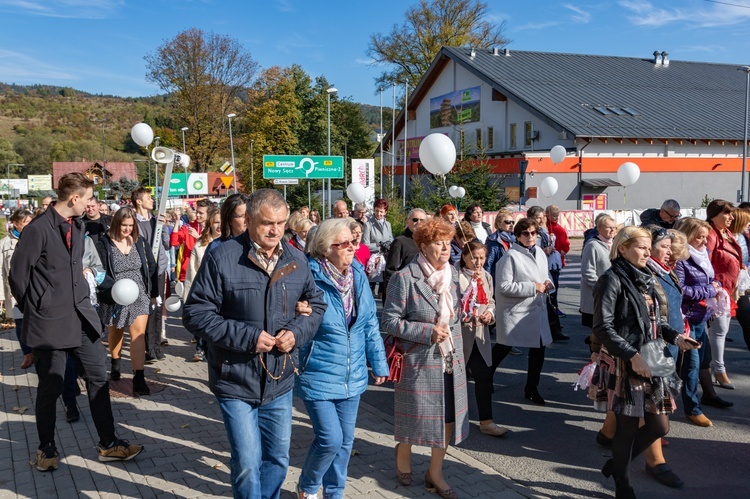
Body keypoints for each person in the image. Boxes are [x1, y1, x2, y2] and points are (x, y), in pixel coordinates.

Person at [182, 189, 326, 499]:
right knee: (247, 462)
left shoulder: (296, 258)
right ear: (248, 221)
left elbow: (317, 304)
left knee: (278, 458)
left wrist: (297, 332)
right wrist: (248, 337)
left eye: (281, 223)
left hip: (279, 378)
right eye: (267, 223)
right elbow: (195, 314)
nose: (276, 230)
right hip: (235, 378)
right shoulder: (222, 256)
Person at [9, 172, 143, 472]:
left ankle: (108, 444)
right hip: (50, 324)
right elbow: (18, 276)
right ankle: (46, 449)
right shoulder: (38, 229)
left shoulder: (78, 225)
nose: (90, 203)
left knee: (98, 379)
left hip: (82, 319)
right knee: (50, 387)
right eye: (88, 198)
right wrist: (39, 306)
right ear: (74, 198)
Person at [593, 226, 698, 499]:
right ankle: (623, 487)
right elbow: (603, 327)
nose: (647, 252)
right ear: (623, 248)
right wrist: (632, 355)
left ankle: (616, 466)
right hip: (627, 362)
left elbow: (655, 320)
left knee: (659, 426)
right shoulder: (611, 278)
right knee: (627, 429)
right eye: (641, 247)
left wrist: (676, 337)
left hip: (650, 359)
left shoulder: (647, 277)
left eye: (649, 247)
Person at [296, 218, 389, 499]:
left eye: (354, 242)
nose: (352, 247)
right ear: (325, 248)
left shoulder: (358, 276)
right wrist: (297, 311)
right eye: (345, 243)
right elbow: (286, 313)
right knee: (329, 439)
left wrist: (379, 361)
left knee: (346, 441)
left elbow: (370, 323)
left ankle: (334, 493)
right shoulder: (307, 277)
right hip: (318, 371)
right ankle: (308, 487)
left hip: (354, 373)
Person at [381, 218, 468, 499]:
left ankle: (435, 473)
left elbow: (455, 314)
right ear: (423, 245)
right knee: (414, 418)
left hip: (449, 358)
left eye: (448, 241)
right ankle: (403, 451)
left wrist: (475, 312)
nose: (445, 248)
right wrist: (427, 331)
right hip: (418, 360)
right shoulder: (404, 278)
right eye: (438, 243)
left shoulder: (453, 275)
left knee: (447, 420)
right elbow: (389, 322)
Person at [674, 217, 733, 426]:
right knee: (691, 366)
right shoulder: (680, 258)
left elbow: (710, 278)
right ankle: (692, 408)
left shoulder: (702, 254)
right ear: (686, 235)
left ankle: (707, 396)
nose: (703, 240)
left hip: (701, 316)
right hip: (687, 320)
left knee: (702, 363)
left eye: (705, 237)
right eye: (699, 237)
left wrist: (715, 284)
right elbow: (680, 291)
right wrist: (710, 290)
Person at [97, 206, 158, 396]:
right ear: (116, 223)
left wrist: (153, 292)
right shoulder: (103, 242)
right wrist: (108, 291)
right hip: (115, 293)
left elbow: (151, 265)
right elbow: (99, 271)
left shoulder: (139, 241)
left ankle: (138, 377)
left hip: (139, 292)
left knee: (138, 334)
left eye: (131, 225)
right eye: (124, 225)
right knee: (116, 331)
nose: (127, 229)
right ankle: (115, 363)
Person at [493, 217, 554, 405]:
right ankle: (484, 376)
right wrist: (532, 287)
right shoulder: (511, 256)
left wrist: (549, 284)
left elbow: (546, 275)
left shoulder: (540, 254)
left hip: (537, 310)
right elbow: (503, 286)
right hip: (517, 312)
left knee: (539, 350)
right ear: (518, 236)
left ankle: (531, 387)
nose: (530, 236)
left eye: (533, 233)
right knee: (503, 347)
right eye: (525, 233)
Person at [458, 240, 507, 437]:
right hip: (460, 336)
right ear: (464, 257)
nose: (478, 262)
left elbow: (491, 301)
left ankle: (486, 421)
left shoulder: (486, 276)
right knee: (456, 380)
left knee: (484, 377)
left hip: (480, 335)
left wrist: (490, 314)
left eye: (482, 258)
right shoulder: (455, 275)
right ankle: (451, 420)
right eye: (474, 258)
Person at [705, 199, 741, 389]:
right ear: (714, 215)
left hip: (726, 289)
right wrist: (714, 287)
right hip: (716, 291)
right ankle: (718, 369)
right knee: (718, 331)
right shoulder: (711, 234)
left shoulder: (725, 233)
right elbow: (705, 262)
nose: (731, 217)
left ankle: (714, 368)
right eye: (726, 213)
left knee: (721, 331)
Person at [132, 187, 170, 363]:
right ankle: (148, 348)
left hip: (159, 270)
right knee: (146, 308)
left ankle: (156, 347)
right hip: (143, 271)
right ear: (139, 201)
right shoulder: (133, 223)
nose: (152, 200)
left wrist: (164, 227)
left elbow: (166, 244)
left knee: (157, 307)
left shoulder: (156, 220)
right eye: (148, 197)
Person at [184, 207, 221, 362]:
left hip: (223, 295)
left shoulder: (233, 243)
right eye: (216, 222)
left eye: (222, 222)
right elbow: (192, 272)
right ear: (210, 224)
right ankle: (200, 349)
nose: (219, 226)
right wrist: (189, 297)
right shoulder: (200, 245)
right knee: (204, 322)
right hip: (205, 292)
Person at [1, 208, 34, 369]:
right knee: (20, 323)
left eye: (30, 222)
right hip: (15, 291)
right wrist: (1, 295)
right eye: (25, 223)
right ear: (15, 223)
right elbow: (1, 271)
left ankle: (38, 350)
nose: (29, 226)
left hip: (34, 289)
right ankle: (27, 353)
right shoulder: (5, 244)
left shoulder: (36, 239)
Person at [581, 215, 618, 331]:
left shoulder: (616, 245)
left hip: (612, 294)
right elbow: (587, 271)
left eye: (614, 227)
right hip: (596, 295)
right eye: (609, 227)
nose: (612, 230)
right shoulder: (592, 245)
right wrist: (601, 287)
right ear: (599, 229)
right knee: (598, 332)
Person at [383, 208, 425, 294]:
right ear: (408, 221)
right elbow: (390, 271)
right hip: (404, 291)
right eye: (415, 220)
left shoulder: (428, 242)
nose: (419, 223)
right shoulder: (400, 242)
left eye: (422, 220)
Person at [170, 198, 210, 283]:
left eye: (201, 213)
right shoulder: (188, 227)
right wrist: (177, 222)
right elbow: (174, 242)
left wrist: (198, 237)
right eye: (197, 212)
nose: (197, 215)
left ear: (209, 214)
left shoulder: (214, 228)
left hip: (207, 272)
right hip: (189, 272)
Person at [730, 207, 750, 352]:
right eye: (747, 222)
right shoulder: (729, 237)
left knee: (747, 318)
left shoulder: (742, 237)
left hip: (741, 283)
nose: (748, 226)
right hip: (729, 284)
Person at [363, 198, 393, 293]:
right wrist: (379, 246)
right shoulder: (368, 225)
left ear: (385, 212)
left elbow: (391, 239)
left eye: (381, 212)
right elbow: (365, 244)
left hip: (385, 259)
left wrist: (389, 245)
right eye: (376, 211)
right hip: (373, 260)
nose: (378, 214)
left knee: (385, 288)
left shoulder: (388, 224)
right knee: (370, 288)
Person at [545, 205, 571, 316]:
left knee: (554, 285)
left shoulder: (560, 229)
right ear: (547, 215)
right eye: (553, 215)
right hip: (546, 260)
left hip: (555, 262)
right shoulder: (544, 227)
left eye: (557, 215)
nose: (555, 217)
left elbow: (566, 244)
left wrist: (562, 251)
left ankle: (554, 307)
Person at [484, 209, 515, 278]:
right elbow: (488, 264)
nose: (511, 224)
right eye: (508, 222)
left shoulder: (515, 238)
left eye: (513, 222)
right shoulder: (493, 240)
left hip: (513, 276)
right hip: (498, 278)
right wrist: (489, 282)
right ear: (499, 224)